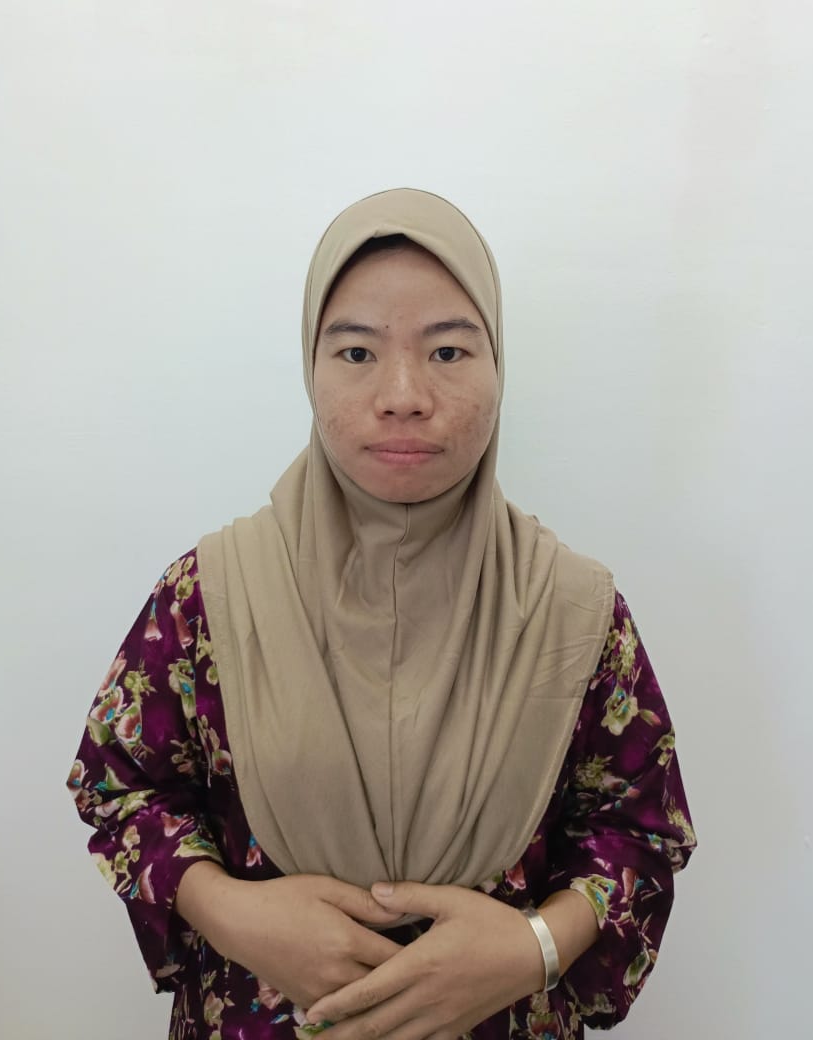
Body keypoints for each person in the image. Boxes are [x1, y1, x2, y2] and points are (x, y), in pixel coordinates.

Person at [68, 188, 695, 1040]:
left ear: (498, 366)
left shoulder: (572, 611)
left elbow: (641, 828)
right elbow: (118, 785)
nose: (403, 394)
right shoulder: (209, 596)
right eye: (358, 352)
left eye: (448, 351)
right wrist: (231, 912)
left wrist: (535, 948)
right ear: (311, 365)